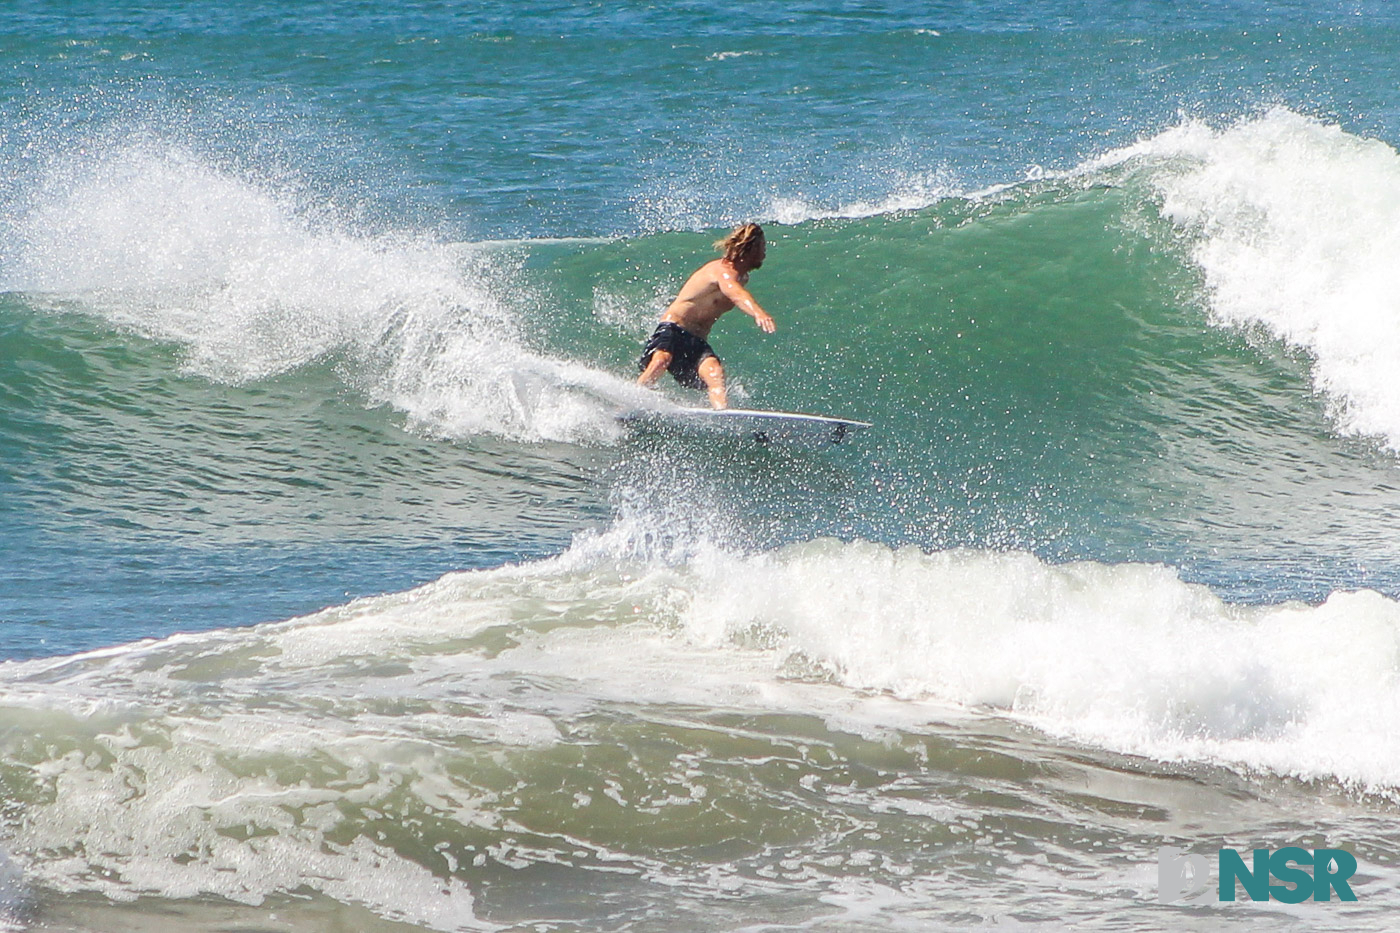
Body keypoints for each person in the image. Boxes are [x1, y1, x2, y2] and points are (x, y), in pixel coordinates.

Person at [637, 222, 776, 409]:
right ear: (750, 248)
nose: (765, 253)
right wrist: (758, 313)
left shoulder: (743, 277)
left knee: (715, 373)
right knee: (662, 360)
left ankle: (722, 415)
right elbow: (735, 293)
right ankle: (632, 402)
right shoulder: (723, 271)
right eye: (762, 247)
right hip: (673, 328)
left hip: (696, 340)